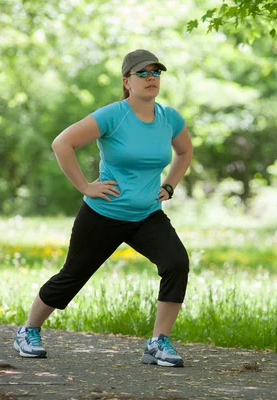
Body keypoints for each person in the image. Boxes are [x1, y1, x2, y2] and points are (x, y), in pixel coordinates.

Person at [12, 49, 193, 368]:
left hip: (146, 215)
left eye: (156, 73)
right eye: (143, 73)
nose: (151, 78)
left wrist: (169, 185)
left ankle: (157, 343)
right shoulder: (113, 115)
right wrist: (85, 186)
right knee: (72, 276)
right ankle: (28, 331)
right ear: (127, 81)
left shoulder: (169, 118)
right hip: (104, 214)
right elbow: (62, 143)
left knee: (176, 262)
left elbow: (184, 152)